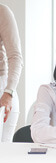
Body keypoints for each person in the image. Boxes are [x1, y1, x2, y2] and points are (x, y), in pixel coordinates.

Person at [0, 4, 23, 142]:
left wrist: (8, 93)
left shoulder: (2, 12)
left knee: (2, 155)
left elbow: (15, 57)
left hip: (3, 90)